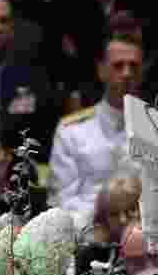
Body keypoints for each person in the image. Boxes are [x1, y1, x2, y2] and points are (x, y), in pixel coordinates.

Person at [48, 34, 145, 228]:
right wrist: (105, 220)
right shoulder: (72, 131)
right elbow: (62, 200)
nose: (126, 73)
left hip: (146, 237)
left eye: (133, 66)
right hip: (88, 235)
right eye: (118, 66)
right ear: (101, 71)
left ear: (142, 72)